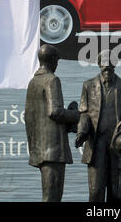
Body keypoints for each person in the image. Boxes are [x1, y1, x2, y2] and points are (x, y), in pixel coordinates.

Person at [75, 50, 121, 202]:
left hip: (118, 144)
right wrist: (81, 132)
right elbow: (84, 113)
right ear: (99, 65)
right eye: (104, 65)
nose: (107, 67)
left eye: (110, 65)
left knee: (117, 191)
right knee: (96, 190)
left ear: (115, 65)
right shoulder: (88, 85)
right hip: (97, 144)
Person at [24, 44, 80, 202]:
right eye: (57, 61)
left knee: (49, 197)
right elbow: (55, 112)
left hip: (40, 148)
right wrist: (77, 115)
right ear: (53, 60)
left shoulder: (33, 82)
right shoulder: (52, 80)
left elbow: (34, 116)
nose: (57, 64)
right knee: (53, 198)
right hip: (53, 150)